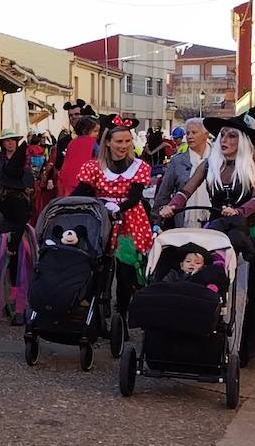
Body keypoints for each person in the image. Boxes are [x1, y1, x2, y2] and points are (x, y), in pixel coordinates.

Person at [159, 116, 255, 361]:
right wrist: (171, 206)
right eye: (223, 136)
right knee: (212, 279)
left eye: (232, 136)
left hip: (247, 231)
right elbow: (186, 190)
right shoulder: (209, 165)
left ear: (242, 140)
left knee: (248, 285)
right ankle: (209, 335)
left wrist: (240, 212)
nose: (225, 140)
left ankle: (241, 345)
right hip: (217, 230)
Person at [72, 114, 155, 314]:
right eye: (119, 141)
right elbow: (82, 190)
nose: (124, 145)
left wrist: (118, 208)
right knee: (98, 262)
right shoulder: (94, 166)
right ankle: (97, 305)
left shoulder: (138, 167)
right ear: (108, 142)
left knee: (127, 267)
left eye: (128, 141)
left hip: (129, 219)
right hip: (102, 218)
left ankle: (123, 310)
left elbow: (135, 197)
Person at [0, 141, 37, 324]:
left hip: (13, 238)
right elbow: (3, 211)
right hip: (11, 236)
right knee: (12, 272)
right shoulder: (15, 198)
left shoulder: (15, 200)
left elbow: (18, 222)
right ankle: (15, 307)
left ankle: (19, 310)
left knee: (16, 273)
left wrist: (12, 246)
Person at [154, 117, 213, 229]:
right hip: (183, 223)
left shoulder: (217, 160)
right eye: (187, 133)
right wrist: (157, 220)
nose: (189, 136)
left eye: (194, 132)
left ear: (206, 135)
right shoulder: (177, 161)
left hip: (213, 222)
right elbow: (164, 193)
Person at [56, 116, 101, 197]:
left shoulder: (72, 142)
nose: (97, 134)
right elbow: (100, 155)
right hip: (83, 180)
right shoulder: (92, 142)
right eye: (95, 131)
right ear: (85, 131)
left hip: (67, 178)